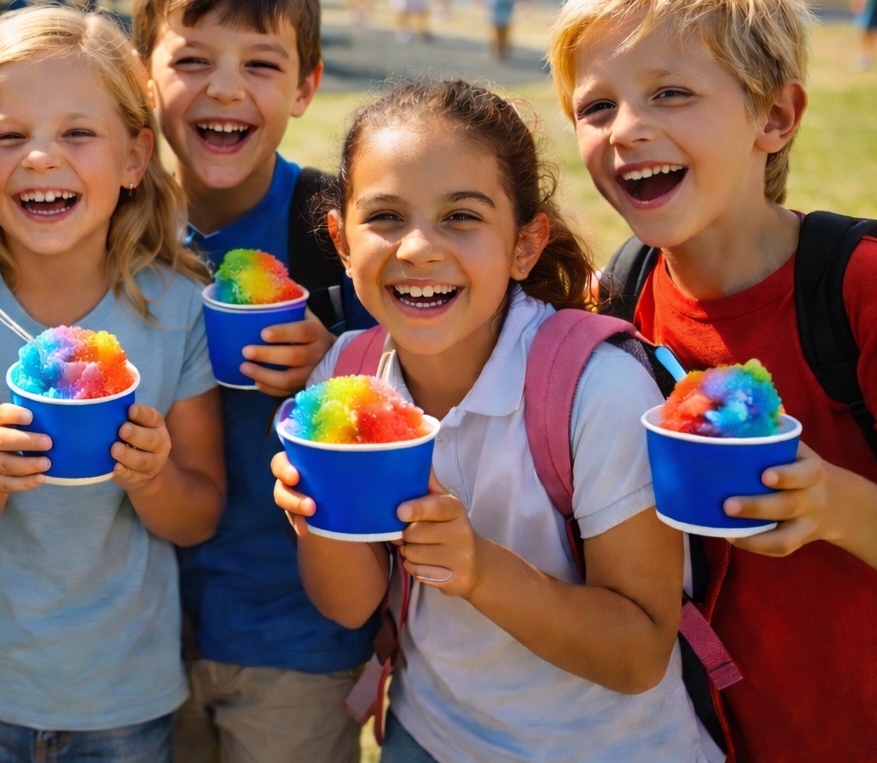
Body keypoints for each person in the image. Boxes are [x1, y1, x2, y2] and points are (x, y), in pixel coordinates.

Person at [273, 78, 713, 762]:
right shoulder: (345, 378)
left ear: (524, 245)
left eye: (461, 217)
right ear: (341, 241)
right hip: (430, 737)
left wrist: (477, 568)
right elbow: (350, 606)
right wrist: (316, 517)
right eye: (385, 216)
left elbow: (637, 655)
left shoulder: (597, 389)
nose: (418, 247)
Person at [548, 0, 877, 762]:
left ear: (774, 118)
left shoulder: (858, 289)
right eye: (597, 106)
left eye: (671, 93)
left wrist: (830, 504)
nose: (627, 128)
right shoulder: (616, 301)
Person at [0, 5, 225, 761]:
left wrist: (152, 473)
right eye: (9, 136)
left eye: (77, 133)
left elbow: (196, 516)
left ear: (136, 158)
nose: (41, 158)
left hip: (123, 699)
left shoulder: (179, 310)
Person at [133, 0, 374, 763]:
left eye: (262, 66)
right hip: (140, 635)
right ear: (143, 77)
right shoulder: (110, 222)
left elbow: (430, 382)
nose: (225, 90)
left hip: (296, 640)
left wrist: (335, 361)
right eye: (193, 60)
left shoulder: (339, 229)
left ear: (306, 86)